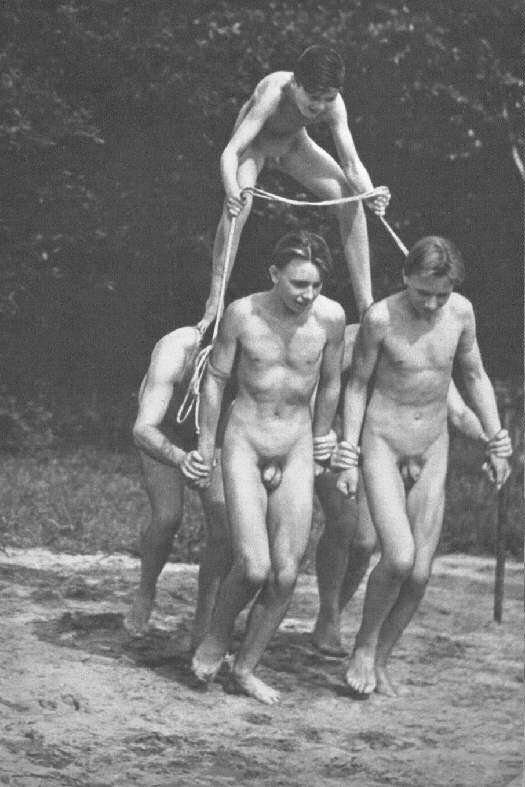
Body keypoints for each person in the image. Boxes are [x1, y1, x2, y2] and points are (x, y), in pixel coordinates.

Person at [332, 236, 512, 696]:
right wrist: (348, 453)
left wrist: (496, 440)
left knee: (419, 573)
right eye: (422, 292)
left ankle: (380, 658)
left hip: (433, 445)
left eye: (441, 294)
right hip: (383, 442)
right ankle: (362, 648)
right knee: (398, 556)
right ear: (405, 277)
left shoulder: (461, 314)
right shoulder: (380, 318)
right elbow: (356, 387)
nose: (431, 304)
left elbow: (474, 375)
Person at [191, 230, 346, 704]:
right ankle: (216, 638)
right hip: (246, 439)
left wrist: (323, 436)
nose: (307, 295)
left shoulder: (331, 319)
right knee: (254, 566)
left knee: (285, 573)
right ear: (275, 273)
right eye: (298, 283)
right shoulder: (243, 314)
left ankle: (245, 668)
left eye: (315, 285)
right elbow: (216, 378)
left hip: (296, 444)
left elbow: (332, 382)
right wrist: (206, 445)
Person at [312, 323, 513, 657]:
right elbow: (319, 384)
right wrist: (321, 435)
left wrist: (489, 441)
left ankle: (330, 614)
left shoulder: (422, 351)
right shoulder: (358, 337)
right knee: (348, 525)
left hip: (378, 448)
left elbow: (458, 411)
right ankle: (329, 613)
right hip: (333, 436)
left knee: (365, 542)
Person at [197, 45, 390, 334]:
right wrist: (232, 189)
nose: (320, 106)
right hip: (254, 149)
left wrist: (370, 193)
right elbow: (230, 152)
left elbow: (351, 163)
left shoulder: (334, 103)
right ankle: (215, 302)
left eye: (328, 98)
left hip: (293, 146)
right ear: (296, 84)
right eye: (314, 98)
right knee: (239, 207)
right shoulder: (274, 92)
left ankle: (366, 307)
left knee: (351, 201)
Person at [125, 326, 231, 651]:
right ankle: (146, 589)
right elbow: (144, 429)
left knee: (225, 526)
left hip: (218, 434)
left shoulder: (255, 351)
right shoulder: (176, 348)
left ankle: (204, 625)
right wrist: (180, 458)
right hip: (166, 429)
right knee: (167, 516)